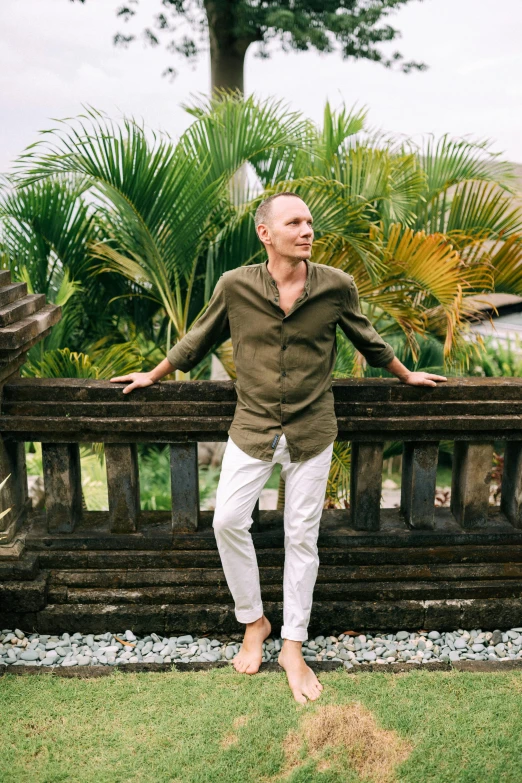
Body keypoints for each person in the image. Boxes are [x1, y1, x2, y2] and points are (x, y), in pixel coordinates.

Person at [111, 192, 447, 704]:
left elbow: (368, 340)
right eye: (295, 222)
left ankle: (293, 643)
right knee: (226, 520)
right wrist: (154, 374)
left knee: (301, 537)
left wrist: (405, 374)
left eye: (310, 221)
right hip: (252, 427)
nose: (307, 229)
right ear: (266, 233)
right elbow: (197, 338)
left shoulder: (336, 286)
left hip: (313, 430)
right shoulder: (236, 286)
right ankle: (255, 621)